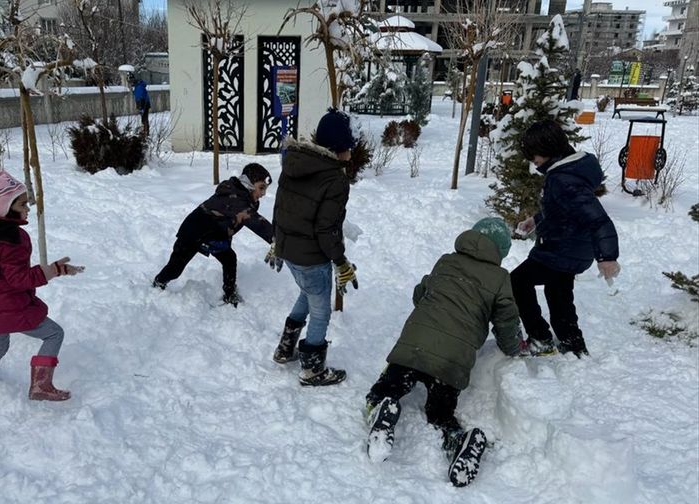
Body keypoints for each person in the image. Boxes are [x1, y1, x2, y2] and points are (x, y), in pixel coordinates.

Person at [364, 218, 524, 487]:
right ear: (500, 252)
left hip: (413, 346)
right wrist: (513, 347)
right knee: (440, 412)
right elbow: (506, 320)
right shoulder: (499, 279)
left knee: (387, 387)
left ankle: (383, 407)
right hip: (452, 361)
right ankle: (456, 439)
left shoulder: (446, 261)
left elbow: (420, 294)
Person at [0, 160, 84, 401]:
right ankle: (41, 386)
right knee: (54, 334)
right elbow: (19, 279)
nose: (28, 207)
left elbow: (7, 272)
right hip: (8, 305)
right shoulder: (12, 240)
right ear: (3, 206)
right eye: (21, 203)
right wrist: (54, 270)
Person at [265, 108, 358, 387]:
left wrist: (276, 242)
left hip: (290, 251)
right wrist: (341, 263)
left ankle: (285, 349)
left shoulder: (294, 161)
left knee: (308, 292)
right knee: (321, 311)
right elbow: (326, 229)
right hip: (312, 256)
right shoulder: (335, 179)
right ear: (341, 148)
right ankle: (312, 370)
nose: (351, 152)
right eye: (350, 146)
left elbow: (280, 208)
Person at [512, 120, 620, 357]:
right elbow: (564, 208)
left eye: (534, 157)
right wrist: (537, 220)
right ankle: (572, 342)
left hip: (561, 249)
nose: (534, 163)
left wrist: (607, 256)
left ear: (548, 149)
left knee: (518, 281)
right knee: (558, 291)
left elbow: (599, 219)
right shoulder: (571, 170)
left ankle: (540, 337)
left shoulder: (562, 178)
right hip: (573, 248)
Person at [153, 163, 274, 307]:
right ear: (248, 184)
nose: (263, 193)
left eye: (265, 189)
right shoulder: (235, 198)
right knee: (175, 269)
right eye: (261, 188)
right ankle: (158, 284)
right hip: (193, 233)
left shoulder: (247, 199)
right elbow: (256, 222)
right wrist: (277, 239)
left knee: (229, 259)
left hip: (214, 236)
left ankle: (229, 294)